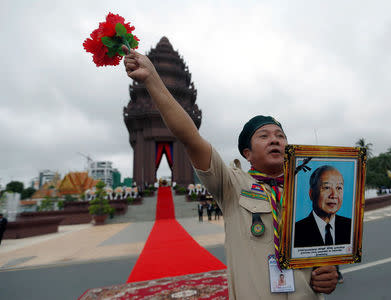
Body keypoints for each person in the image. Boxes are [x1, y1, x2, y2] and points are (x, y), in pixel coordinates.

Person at [123, 47, 338, 299]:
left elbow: (324, 248)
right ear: (247, 153)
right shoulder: (231, 184)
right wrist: (152, 79)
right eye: (264, 136)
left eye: (280, 136)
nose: (275, 140)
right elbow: (190, 138)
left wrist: (330, 271)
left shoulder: (309, 191)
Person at [294, 166, 352, 248]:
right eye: (327, 188)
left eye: (339, 188)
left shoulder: (351, 226)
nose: (334, 195)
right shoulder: (296, 232)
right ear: (311, 194)